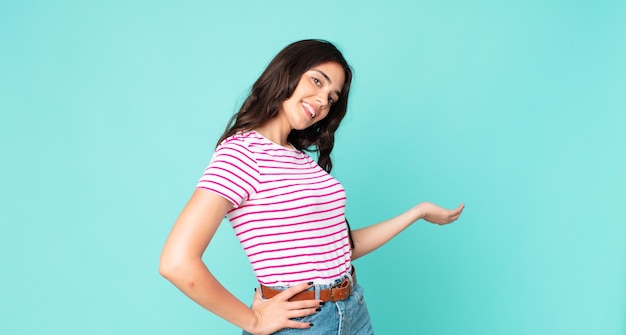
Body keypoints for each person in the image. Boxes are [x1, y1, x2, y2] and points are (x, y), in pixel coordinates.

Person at [159, 39, 464, 335]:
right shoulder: (242, 153)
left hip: (353, 309)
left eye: (332, 97)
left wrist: (417, 213)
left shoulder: (301, 160)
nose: (323, 100)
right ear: (286, 73)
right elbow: (177, 262)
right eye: (317, 81)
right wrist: (253, 320)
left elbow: (341, 249)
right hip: (303, 324)